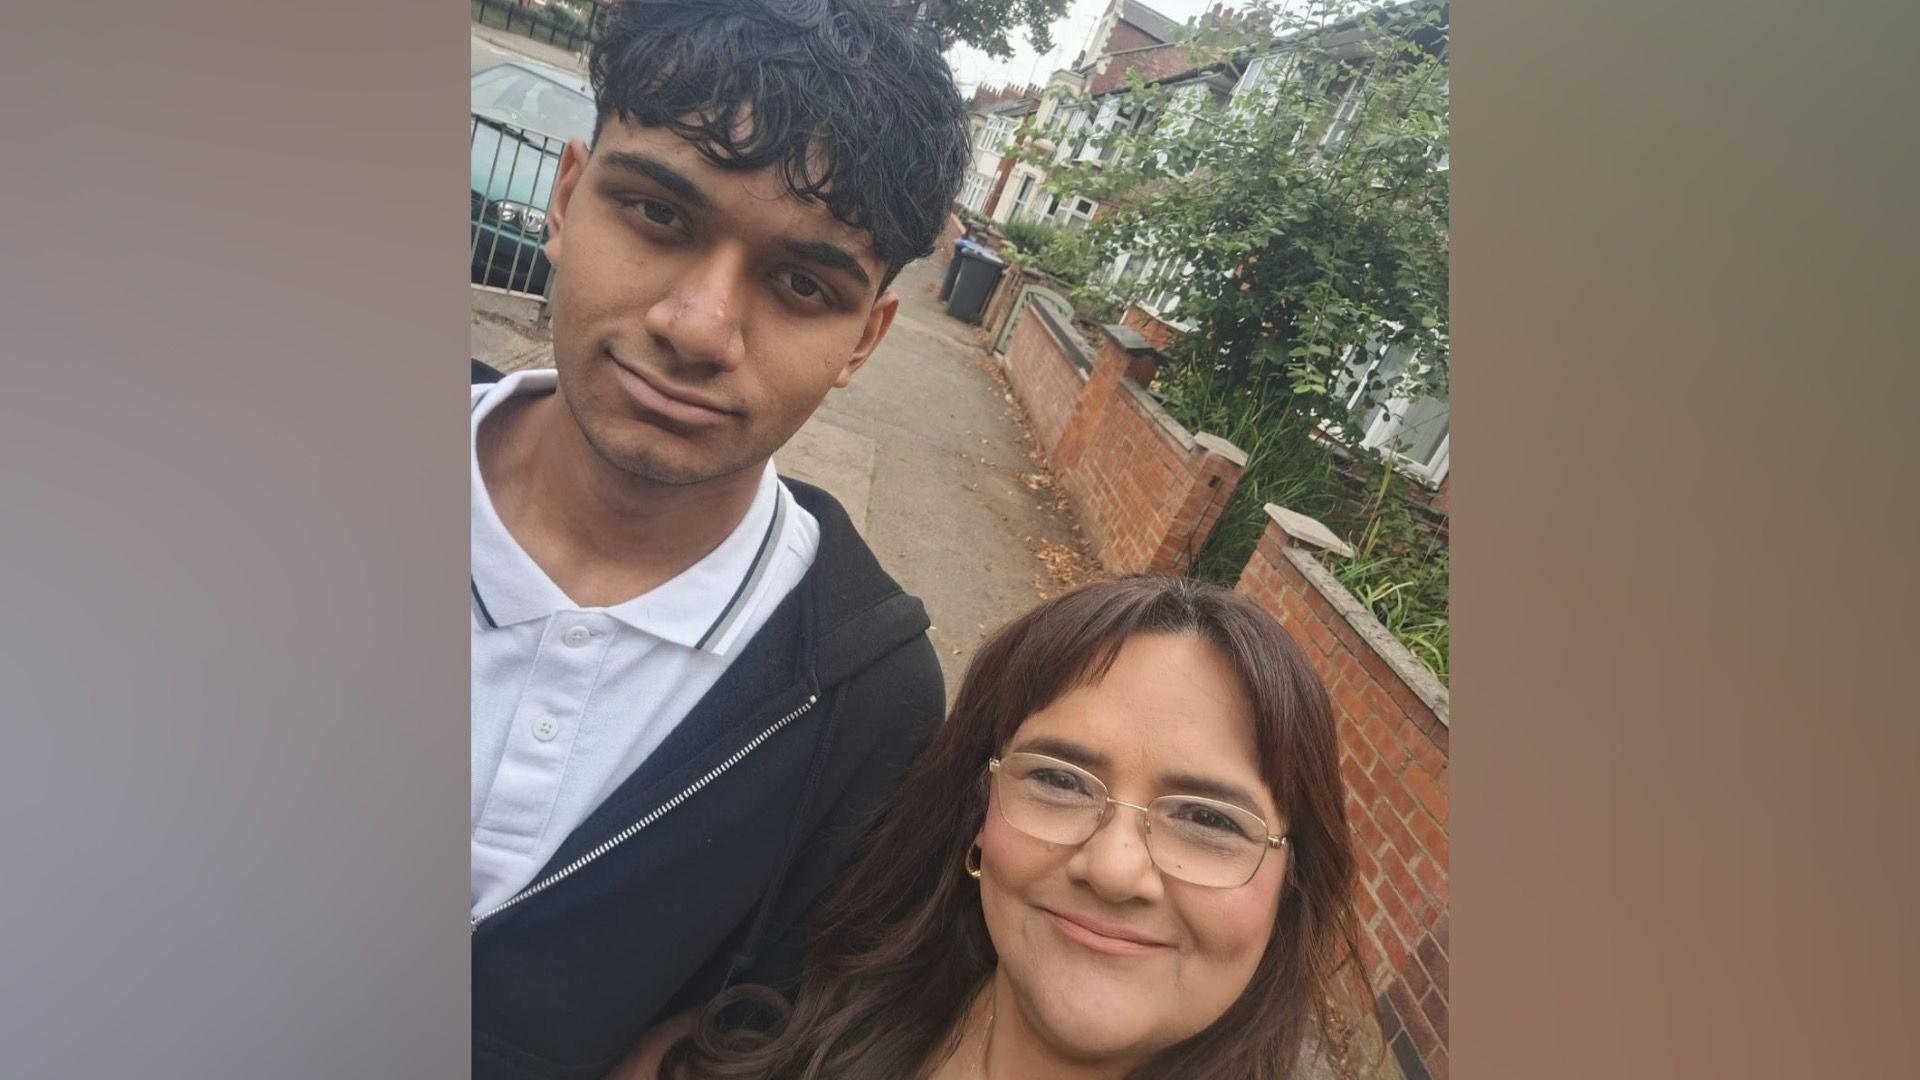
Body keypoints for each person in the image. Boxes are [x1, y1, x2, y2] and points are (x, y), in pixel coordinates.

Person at [469, 1, 970, 1076]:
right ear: (565, 197)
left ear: (865, 339)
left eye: (801, 283)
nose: (697, 326)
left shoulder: (867, 705)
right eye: (657, 213)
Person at [641, 576, 1373, 1080]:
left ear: (1290, 886)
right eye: (1059, 781)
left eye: (1209, 820)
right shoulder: (753, 1032)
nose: (1114, 869)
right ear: (978, 816)